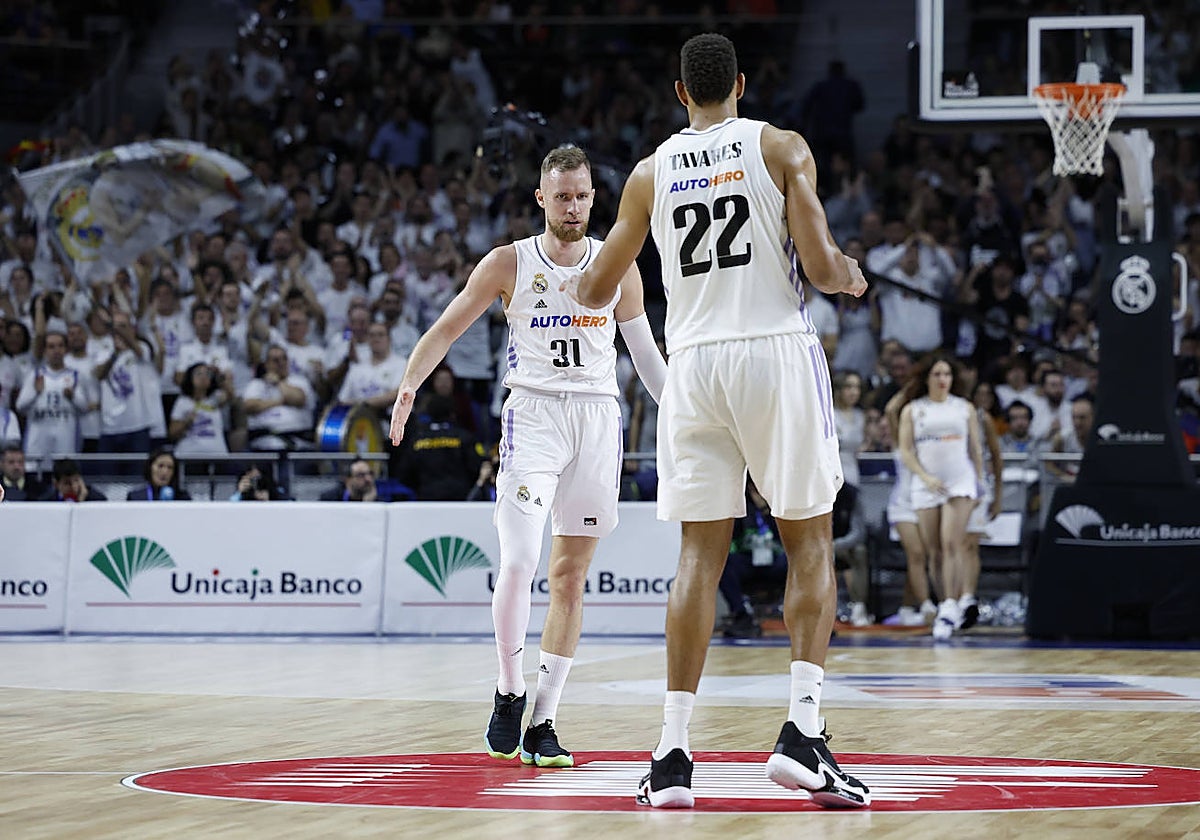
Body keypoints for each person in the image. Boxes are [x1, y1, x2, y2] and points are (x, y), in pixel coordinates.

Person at [568, 33, 870, 808]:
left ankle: (671, 756)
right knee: (809, 540)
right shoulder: (780, 147)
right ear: (740, 83)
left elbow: (595, 291)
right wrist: (854, 276)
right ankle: (803, 732)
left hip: (694, 363)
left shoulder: (646, 174)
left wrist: (613, 260)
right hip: (772, 351)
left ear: (679, 93)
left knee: (698, 557)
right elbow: (825, 266)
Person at [388, 145, 668, 771]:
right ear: (541, 198)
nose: (573, 206)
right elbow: (445, 329)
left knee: (570, 577)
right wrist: (409, 386)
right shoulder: (508, 262)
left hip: (597, 419)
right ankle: (509, 689)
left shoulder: (618, 264)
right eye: (561, 195)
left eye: (582, 195)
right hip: (533, 416)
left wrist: (683, 413)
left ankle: (544, 719)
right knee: (517, 562)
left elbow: (647, 358)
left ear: (595, 198)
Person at [896, 353, 984, 641]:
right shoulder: (913, 410)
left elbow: (975, 448)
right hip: (926, 484)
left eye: (946, 374)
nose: (942, 379)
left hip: (959, 481)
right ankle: (946, 598)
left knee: (951, 542)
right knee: (933, 549)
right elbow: (906, 450)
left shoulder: (964, 408)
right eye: (937, 374)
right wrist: (925, 476)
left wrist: (980, 483)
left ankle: (949, 606)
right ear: (927, 378)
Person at [126, 448, 192, 501]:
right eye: (160, 466)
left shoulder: (183, 498)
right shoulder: (135, 497)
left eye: (170, 467)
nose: (165, 472)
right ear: (150, 468)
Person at [40, 457, 107, 502]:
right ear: (56, 483)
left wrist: (81, 503)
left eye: (76, 480)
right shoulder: (46, 502)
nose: (74, 486)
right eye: (67, 483)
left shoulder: (97, 500)